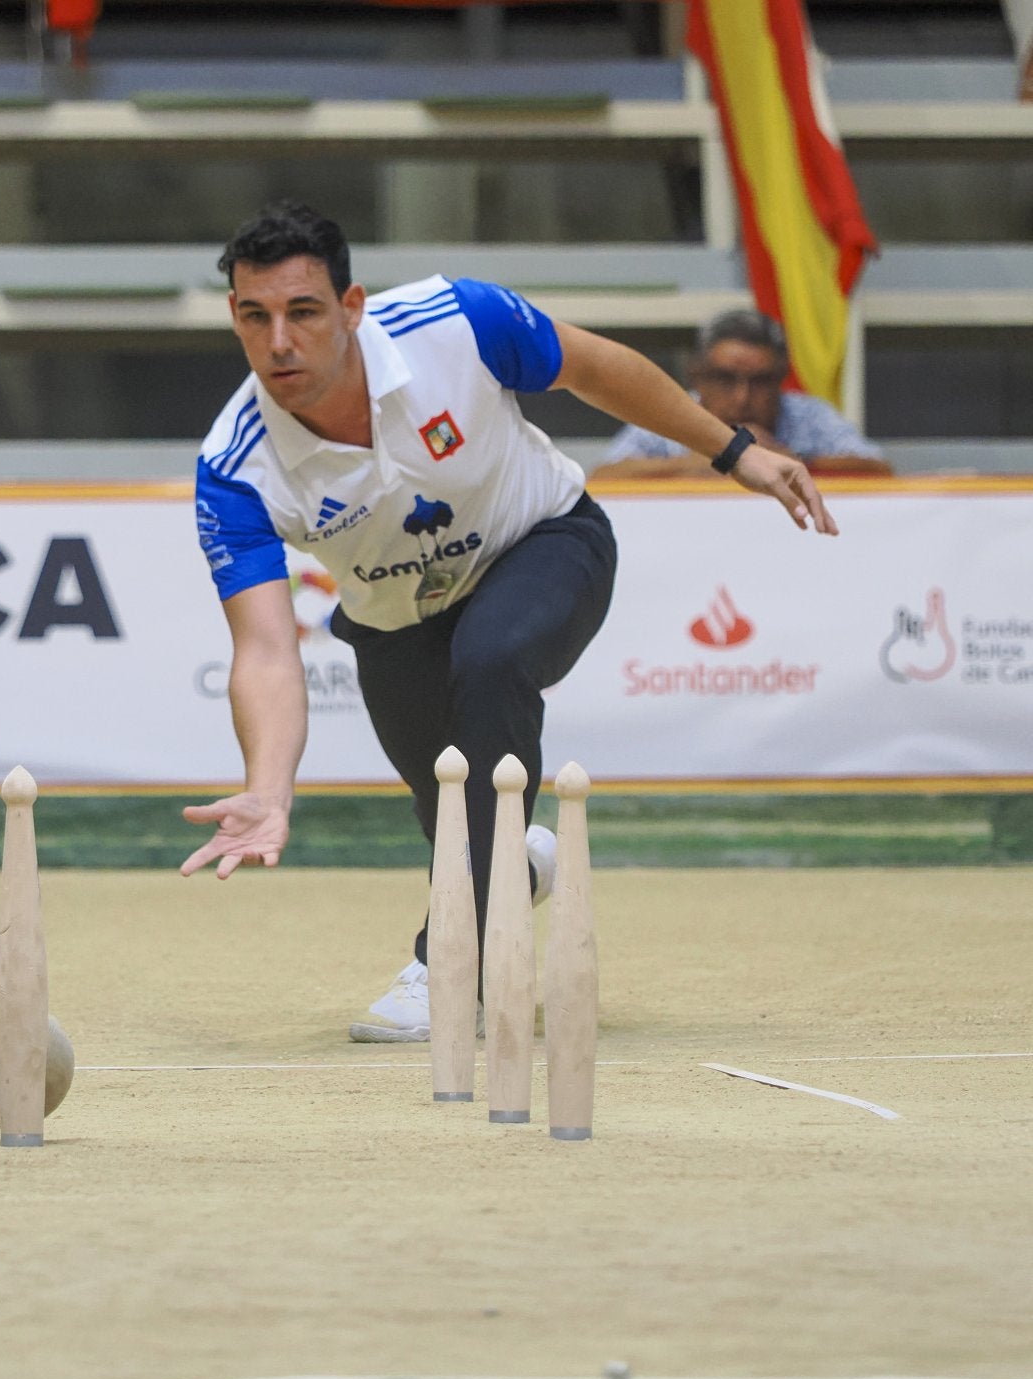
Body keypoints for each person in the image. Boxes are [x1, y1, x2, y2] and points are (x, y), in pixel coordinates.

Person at [179, 201, 835, 1043]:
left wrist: (735, 451)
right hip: (396, 626)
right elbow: (267, 651)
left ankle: (454, 961)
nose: (278, 342)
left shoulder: (456, 321)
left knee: (490, 663)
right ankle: (517, 865)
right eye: (253, 316)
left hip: (548, 545)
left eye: (303, 312)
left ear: (352, 306)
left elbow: (599, 369)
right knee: (449, 802)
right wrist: (269, 789)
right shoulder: (234, 468)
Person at [590, 308, 892, 480]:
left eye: (760, 382)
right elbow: (603, 478)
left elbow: (881, 472)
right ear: (697, 377)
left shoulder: (806, 415)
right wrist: (696, 464)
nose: (742, 398)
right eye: (724, 379)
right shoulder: (671, 414)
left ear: (780, 380)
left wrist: (792, 462)